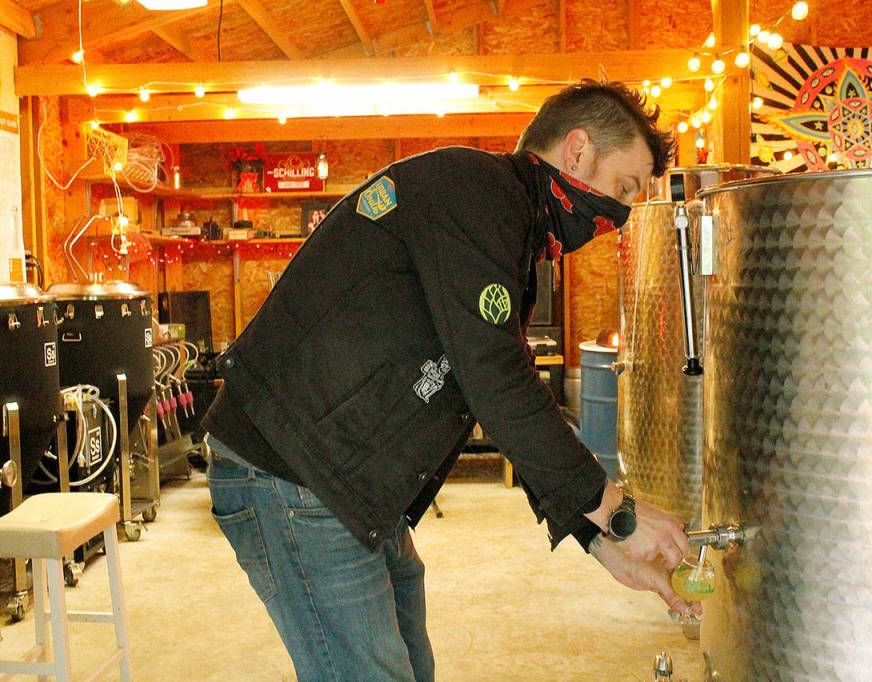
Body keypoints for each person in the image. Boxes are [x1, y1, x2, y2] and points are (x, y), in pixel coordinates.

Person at [202, 79, 694, 681]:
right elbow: (495, 376)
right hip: (292, 471)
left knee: (408, 658)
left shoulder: (502, 230)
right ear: (577, 151)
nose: (616, 218)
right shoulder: (477, 192)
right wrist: (613, 509)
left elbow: (491, 382)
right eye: (622, 189)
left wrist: (598, 539)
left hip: (350, 477)